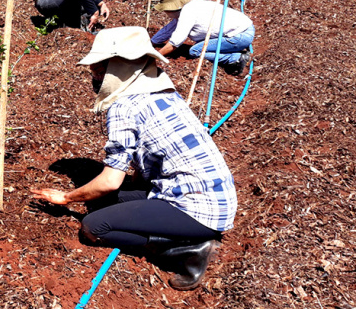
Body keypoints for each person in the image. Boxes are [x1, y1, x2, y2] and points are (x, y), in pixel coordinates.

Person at [30, 27, 237, 290]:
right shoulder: (162, 93)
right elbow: (145, 163)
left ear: (118, 68)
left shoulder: (124, 107)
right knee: (102, 204)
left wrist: (67, 197)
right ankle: (181, 237)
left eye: (98, 69)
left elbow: (110, 182)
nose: (94, 76)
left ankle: (185, 251)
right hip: (214, 198)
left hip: (199, 211)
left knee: (94, 225)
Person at [150, 0, 254, 76]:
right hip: (244, 31)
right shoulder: (191, 6)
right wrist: (151, 43)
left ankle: (236, 58)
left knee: (195, 50)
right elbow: (168, 29)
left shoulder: (189, 12)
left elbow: (175, 42)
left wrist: (154, 57)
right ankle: (233, 50)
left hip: (240, 36)